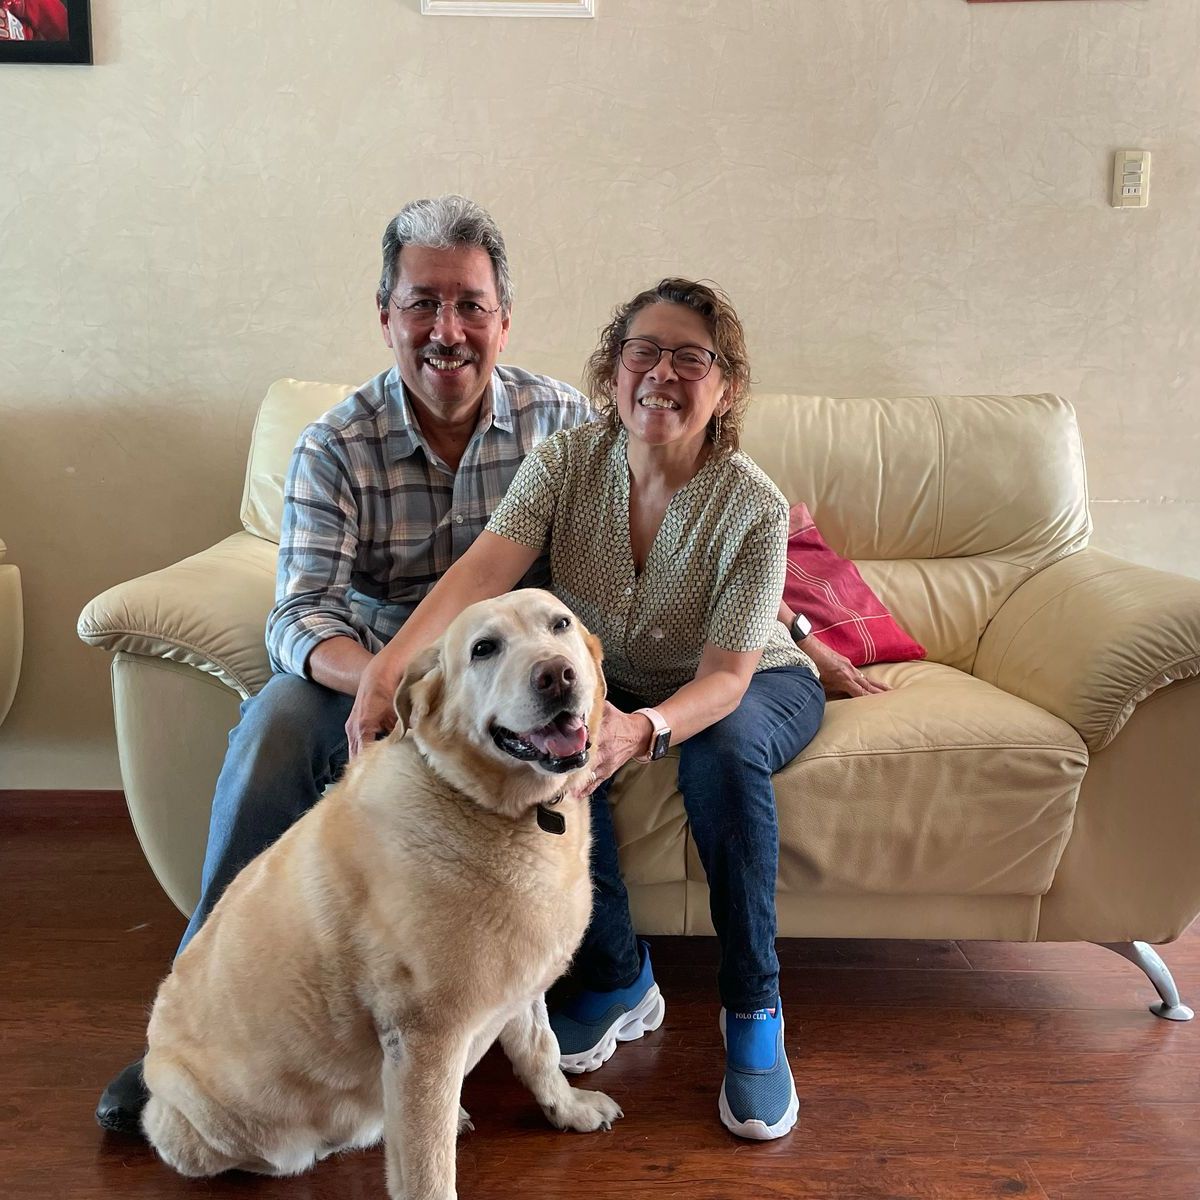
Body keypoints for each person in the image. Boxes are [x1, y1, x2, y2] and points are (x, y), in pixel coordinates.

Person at [95, 195, 596, 1134]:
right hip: (365, 670)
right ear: (385, 314)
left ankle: (557, 986)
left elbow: (634, 547)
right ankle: (196, 1025)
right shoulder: (335, 444)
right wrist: (378, 679)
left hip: (503, 690)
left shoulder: (562, 422)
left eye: (471, 305)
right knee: (277, 727)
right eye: (423, 303)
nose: (447, 331)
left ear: (504, 321)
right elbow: (301, 612)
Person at [347, 277, 849, 1141]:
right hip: (618, 679)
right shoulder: (564, 463)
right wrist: (389, 674)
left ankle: (754, 1008)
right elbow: (482, 574)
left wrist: (642, 730)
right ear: (613, 373)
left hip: (751, 679)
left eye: (690, 358)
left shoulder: (754, 506)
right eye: (642, 352)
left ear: (726, 388)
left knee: (721, 750)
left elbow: (727, 679)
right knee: (559, 751)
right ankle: (619, 976)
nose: (661, 373)